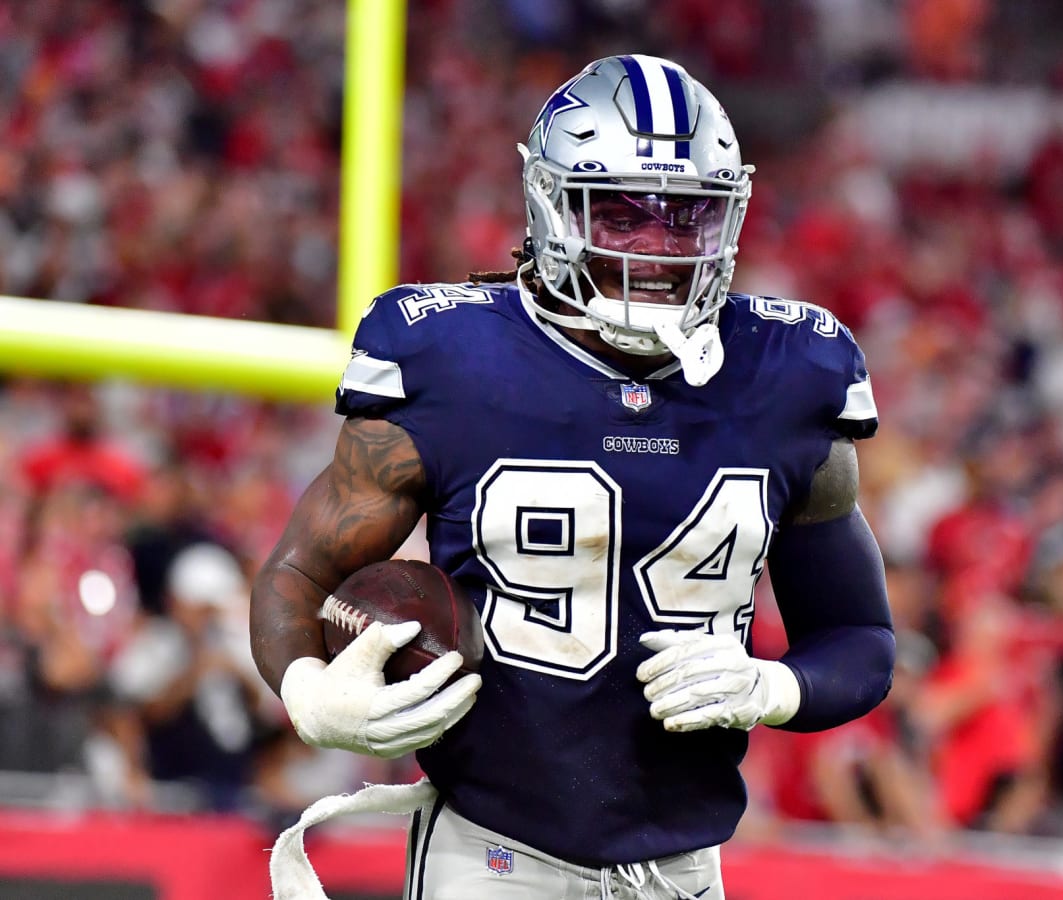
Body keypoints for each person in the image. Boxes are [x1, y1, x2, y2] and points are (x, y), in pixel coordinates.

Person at [250, 54, 895, 900]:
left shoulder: (789, 372)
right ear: (552, 205)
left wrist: (775, 685)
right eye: (623, 215)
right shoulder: (451, 356)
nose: (657, 250)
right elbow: (299, 573)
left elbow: (860, 638)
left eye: (685, 220)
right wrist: (308, 692)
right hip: (492, 857)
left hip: (685, 871)